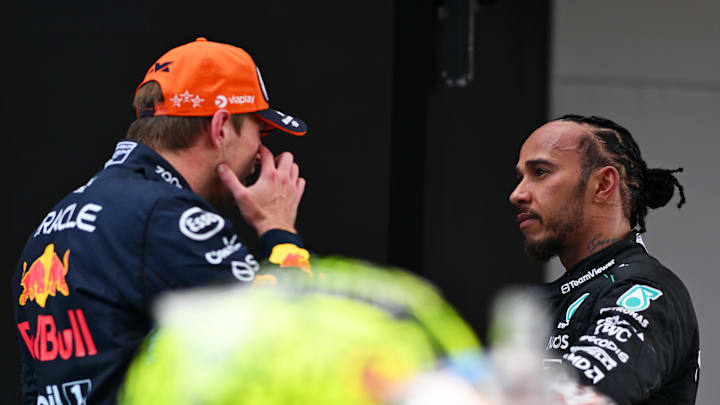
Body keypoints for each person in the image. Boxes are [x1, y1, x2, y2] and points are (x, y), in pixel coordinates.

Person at [12, 37, 311, 405]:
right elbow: (290, 345)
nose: (261, 152)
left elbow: (34, 390)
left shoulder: (50, 226)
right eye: (258, 130)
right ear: (220, 128)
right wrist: (279, 230)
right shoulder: (169, 216)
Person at [509, 114, 700, 405]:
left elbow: (578, 394)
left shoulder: (644, 290)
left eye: (541, 172)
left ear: (602, 184)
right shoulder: (547, 299)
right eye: (520, 177)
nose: (517, 194)